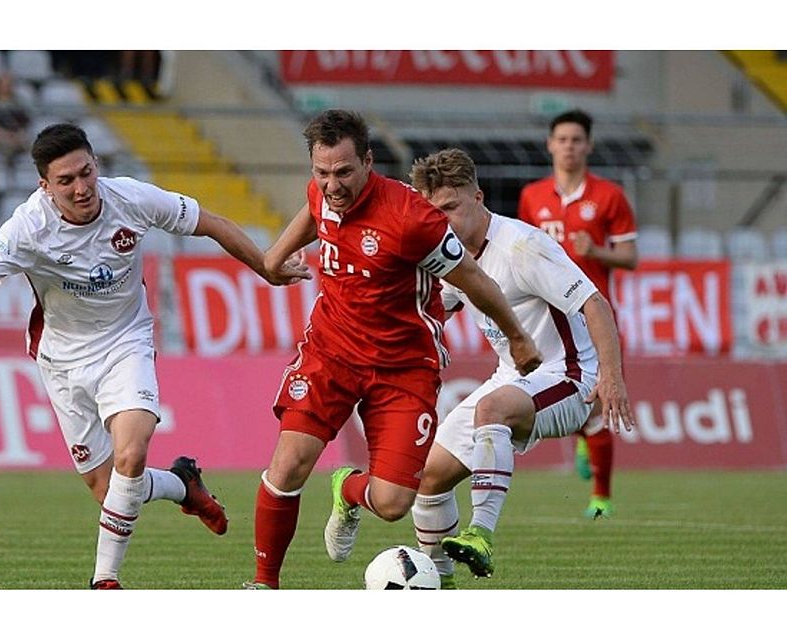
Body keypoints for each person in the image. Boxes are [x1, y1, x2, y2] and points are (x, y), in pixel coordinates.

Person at [0, 123, 310, 589]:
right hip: (63, 360)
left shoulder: (131, 199)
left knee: (131, 455)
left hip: (126, 343)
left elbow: (211, 223)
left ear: (96, 165)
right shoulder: (28, 228)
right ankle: (181, 484)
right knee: (108, 489)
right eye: (66, 181)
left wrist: (267, 268)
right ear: (45, 187)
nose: (81, 187)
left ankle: (104, 582)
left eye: (86, 173)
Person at [244, 110, 542, 590]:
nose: (332, 184)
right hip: (330, 351)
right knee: (288, 464)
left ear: (368, 161)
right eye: (322, 173)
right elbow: (313, 212)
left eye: (343, 172)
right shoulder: (321, 192)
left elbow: (473, 278)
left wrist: (519, 337)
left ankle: (347, 487)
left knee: (392, 503)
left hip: (402, 368)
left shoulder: (412, 219)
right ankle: (263, 586)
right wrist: (273, 259)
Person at [408, 148, 636, 586]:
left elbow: (595, 303)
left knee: (491, 410)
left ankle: (481, 535)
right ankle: (436, 586)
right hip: (511, 377)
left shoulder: (521, 246)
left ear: (478, 197)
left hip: (569, 375)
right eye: (434, 213)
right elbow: (435, 310)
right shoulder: (452, 257)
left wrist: (612, 376)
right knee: (429, 480)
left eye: (451, 207)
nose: (444, 221)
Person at [517, 109, 638, 518]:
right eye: (562, 139)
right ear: (551, 144)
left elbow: (630, 257)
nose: (569, 146)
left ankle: (601, 499)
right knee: (557, 395)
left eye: (576, 140)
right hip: (549, 319)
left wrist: (597, 251)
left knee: (601, 400)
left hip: (592, 313)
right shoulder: (532, 196)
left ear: (588, 145)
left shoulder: (610, 195)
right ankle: (585, 435)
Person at [0, 72, 30, 157]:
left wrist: (18, 136)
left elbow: (24, 124)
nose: (6, 87)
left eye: (9, 84)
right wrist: (5, 136)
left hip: (17, 137)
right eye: (3, 84)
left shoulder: (18, 104)